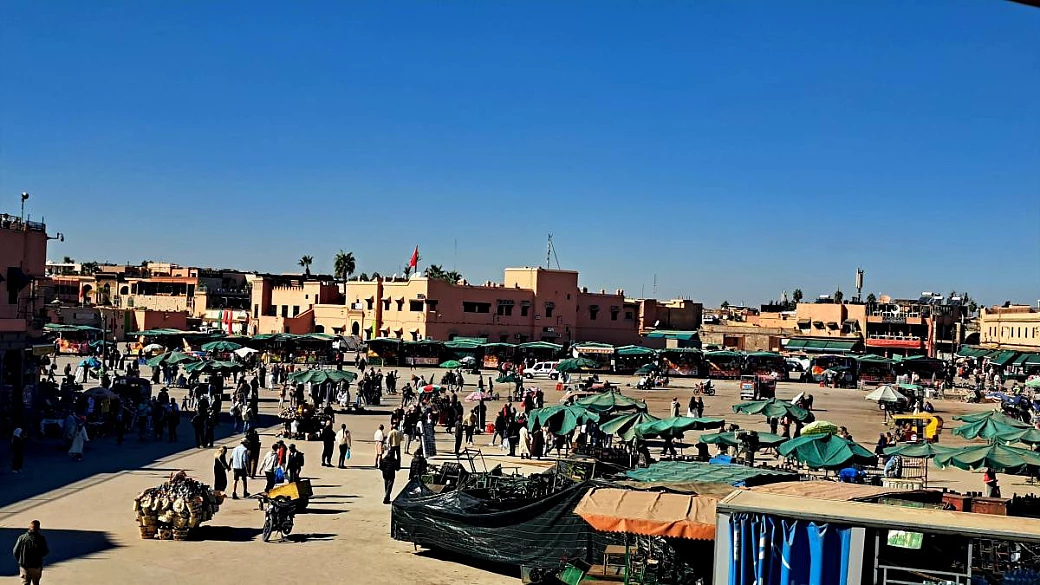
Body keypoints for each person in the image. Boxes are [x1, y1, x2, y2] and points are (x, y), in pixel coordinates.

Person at [13, 520, 48, 585]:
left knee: (25, 583)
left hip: (24, 566)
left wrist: (20, 560)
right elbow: (45, 552)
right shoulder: (41, 539)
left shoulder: (22, 538)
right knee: (36, 583)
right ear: (38, 528)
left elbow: (15, 551)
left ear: (29, 527)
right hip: (36, 566)